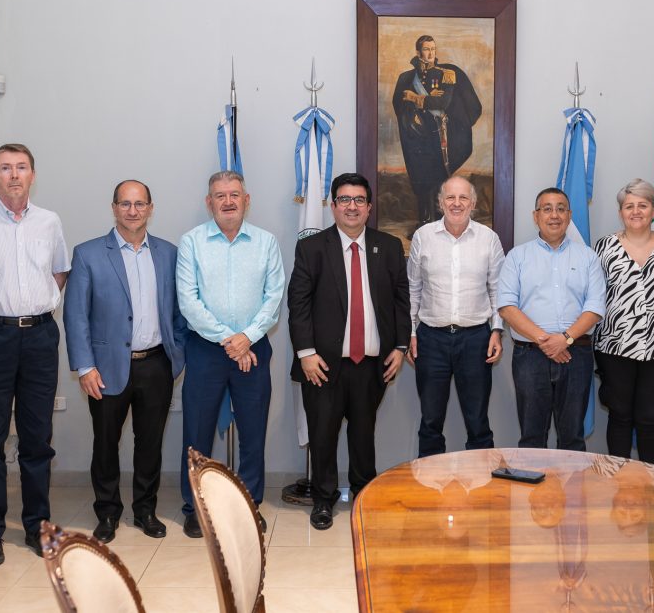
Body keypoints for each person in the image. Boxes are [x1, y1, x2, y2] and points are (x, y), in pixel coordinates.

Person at [0, 143, 70, 566]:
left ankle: (39, 525)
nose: (14, 175)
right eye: (5, 168)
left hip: (40, 336)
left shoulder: (50, 222)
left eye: (21, 167)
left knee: (37, 439)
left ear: (33, 174)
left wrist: (35, 310)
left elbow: (58, 272)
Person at [63, 180, 187, 543]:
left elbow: (179, 310)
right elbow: (76, 316)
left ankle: (145, 510)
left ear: (150, 208)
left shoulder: (168, 253)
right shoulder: (87, 254)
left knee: (150, 442)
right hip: (105, 368)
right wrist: (85, 367)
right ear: (114, 208)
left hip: (156, 364)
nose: (132, 211)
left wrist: (174, 354)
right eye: (125, 204)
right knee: (106, 442)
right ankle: (107, 512)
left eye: (140, 204)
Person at [288, 172, 410, 530]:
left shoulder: (388, 247)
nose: (352, 206)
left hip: (372, 363)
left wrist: (401, 346)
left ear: (369, 207)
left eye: (359, 200)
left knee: (363, 434)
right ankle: (323, 500)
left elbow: (402, 301)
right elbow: (299, 304)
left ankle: (363, 495)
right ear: (333, 206)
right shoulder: (312, 248)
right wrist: (305, 353)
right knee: (322, 435)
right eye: (345, 200)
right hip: (322, 364)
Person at [176, 170, 284, 537]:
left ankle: (249, 505)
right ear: (209, 202)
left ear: (246, 199)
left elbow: (274, 299)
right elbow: (188, 302)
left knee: (253, 433)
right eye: (219, 195)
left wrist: (247, 338)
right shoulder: (191, 243)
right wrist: (230, 340)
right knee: (197, 434)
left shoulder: (266, 242)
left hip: (254, 349)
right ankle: (195, 507)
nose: (227, 201)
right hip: (206, 351)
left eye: (234, 194)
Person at [498, 187, 606, 451]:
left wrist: (565, 339)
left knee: (572, 438)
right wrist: (547, 341)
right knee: (532, 437)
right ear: (536, 216)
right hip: (530, 356)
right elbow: (506, 306)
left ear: (569, 216)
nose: (554, 215)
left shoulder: (588, 257)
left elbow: (594, 307)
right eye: (547, 208)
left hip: (576, 355)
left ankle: (570, 494)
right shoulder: (517, 257)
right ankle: (534, 493)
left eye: (560, 208)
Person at [406, 175, 504, 457]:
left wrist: (496, 331)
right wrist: (411, 332)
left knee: (478, 421)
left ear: (473, 203)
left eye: (463, 198)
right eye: (450, 197)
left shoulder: (489, 239)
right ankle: (429, 491)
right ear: (440, 203)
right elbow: (414, 288)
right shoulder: (423, 237)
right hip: (430, 339)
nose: (457, 203)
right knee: (430, 421)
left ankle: (481, 493)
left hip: (476, 339)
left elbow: (498, 290)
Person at [593, 179, 654, 465]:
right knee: (619, 414)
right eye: (629, 206)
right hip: (614, 346)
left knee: (649, 416)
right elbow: (592, 294)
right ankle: (618, 481)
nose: (636, 211)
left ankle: (651, 481)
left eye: (642, 205)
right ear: (620, 212)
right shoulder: (604, 247)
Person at [392, 35, 482, 226]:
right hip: (418, 137)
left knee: (438, 178)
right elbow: (398, 106)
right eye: (426, 49)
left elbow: (443, 102)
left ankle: (441, 223)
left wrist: (415, 98)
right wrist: (413, 110)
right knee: (421, 179)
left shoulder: (446, 74)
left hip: (440, 134)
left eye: (433, 48)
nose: (431, 53)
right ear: (418, 52)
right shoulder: (406, 78)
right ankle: (424, 223)